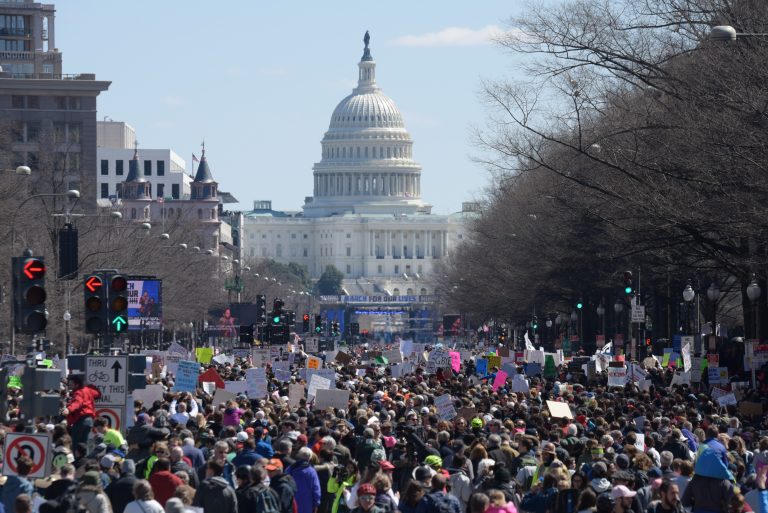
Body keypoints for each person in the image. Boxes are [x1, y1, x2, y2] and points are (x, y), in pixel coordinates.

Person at [62, 374, 102, 447]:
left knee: (76, 446)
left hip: (80, 421)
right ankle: (83, 458)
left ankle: (78, 458)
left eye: (71, 384)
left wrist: (68, 409)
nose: (69, 386)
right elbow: (98, 394)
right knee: (83, 446)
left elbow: (77, 403)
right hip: (90, 421)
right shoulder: (89, 390)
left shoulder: (78, 393)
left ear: (77, 385)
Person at [287, 447, 321, 513]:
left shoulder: (290, 469)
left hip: (291, 503)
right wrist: (317, 503)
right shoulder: (312, 472)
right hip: (306, 505)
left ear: (299, 455)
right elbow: (316, 489)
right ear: (310, 458)